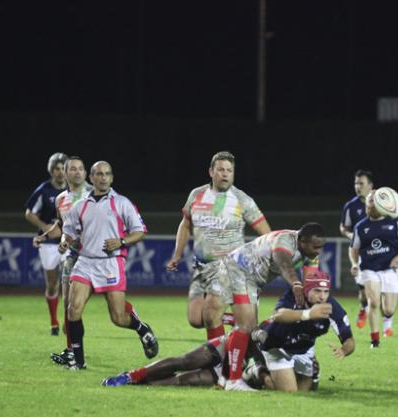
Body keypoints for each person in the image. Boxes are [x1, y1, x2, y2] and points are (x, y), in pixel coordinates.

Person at [102, 225, 326, 390]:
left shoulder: (298, 337)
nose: (318, 251)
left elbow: (311, 282)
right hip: (238, 271)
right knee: (188, 360)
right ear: (303, 240)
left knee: (185, 380)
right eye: (315, 246)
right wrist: (296, 284)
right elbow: (283, 262)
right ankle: (133, 375)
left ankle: (138, 381)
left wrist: (305, 366)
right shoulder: (285, 242)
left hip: (237, 344)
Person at [166, 151, 271, 348]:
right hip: (202, 267)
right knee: (195, 318)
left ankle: (215, 360)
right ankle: (239, 322)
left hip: (229, 268)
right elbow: (185, 224)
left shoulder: (242, 199)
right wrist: (177, 255)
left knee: (210, 314)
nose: (225, 174)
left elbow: (266, 233)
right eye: (221, 169)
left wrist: (262, 262)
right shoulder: (196, 195)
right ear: (211, 172)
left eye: (229, 171)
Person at [60, 161, 158, 369]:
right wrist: (63, 242)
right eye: (99, 174)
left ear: (111, 178)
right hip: (85, 262)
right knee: (73, 309)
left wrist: (121, 241)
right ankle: (78, 361)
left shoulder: (122, 203)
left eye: (107, 174)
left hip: (111, 263)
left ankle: (142, 329)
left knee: (118, 317)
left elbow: (139, 231)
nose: (103, 177)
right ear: (92, 178)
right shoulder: (81, 205)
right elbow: (68, 231)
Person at [243, 271, 355, 392]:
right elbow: (279, 315)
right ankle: (257, 371)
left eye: (326, 291)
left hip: (303, 350)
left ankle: (311, 371)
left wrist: (344, 350)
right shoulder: (295, 296)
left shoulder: (331, 307)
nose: (322, 296)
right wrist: (308, 314)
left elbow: (349, 339)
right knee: (288, 391)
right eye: (317, 291)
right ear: (307, 290)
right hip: (278, 347)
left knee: (306, 391)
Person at [32, 156, 93, 365]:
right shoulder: (61, 199)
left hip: (100, 259)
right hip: (75, 257)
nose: (76, 172)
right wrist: (45, 235)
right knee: (70, 307)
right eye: (72, 169)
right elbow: (61, 225)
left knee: (117, 312)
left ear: (85, 173)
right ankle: (73, 353)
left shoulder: (95, 194)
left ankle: (141, 329)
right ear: (65, 174)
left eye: (80, 169)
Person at [350, 189, 398, 347]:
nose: (369, 204)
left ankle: (388, 319)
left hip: (390, 269)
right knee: (373, 303)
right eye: (368, 201)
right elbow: (353, 248)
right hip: (369, 269)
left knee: (389, 310)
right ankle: (375, 340)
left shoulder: (394, 222)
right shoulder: (360, 227)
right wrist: (354, 263)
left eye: (373, 200)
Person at [24, 152, 68, 335]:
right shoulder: (44, 190)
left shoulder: (74, 190)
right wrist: (44, 227)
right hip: (49, 243)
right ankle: (54, 322)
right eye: (56, 169)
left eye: (62, 168)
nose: (59, 172)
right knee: (52, 284)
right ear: (51, 171)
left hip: (68, 242)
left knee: (69, 281)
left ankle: (69, 321)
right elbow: (29, 213)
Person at [339, 169, 375, 328]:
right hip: (359, 251)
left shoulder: (379, 203)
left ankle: (387, 325)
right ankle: (364, 308)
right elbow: (343, 227)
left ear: (371, 185)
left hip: (379, 251)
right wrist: (351, 236)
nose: (358, 186)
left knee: (380, 288)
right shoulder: (351, 206)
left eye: (361, 183)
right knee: (362, 289)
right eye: (356, 183)